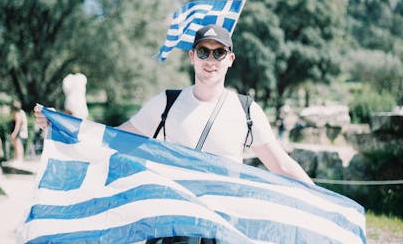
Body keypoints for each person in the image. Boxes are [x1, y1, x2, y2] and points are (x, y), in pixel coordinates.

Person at [34, 24, 313, 243]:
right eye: (203, 51)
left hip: (226, 229)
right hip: (173, 229)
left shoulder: (247, 110)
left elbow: (281, 165)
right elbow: (114, 140)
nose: (210, 60)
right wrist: (61, 127)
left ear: (230, 59)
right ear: (192, 56)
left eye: (219, 53)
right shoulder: (166, 103)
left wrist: (322, 200)